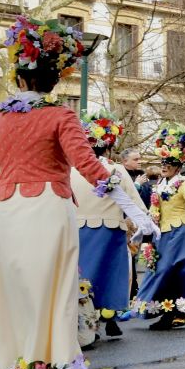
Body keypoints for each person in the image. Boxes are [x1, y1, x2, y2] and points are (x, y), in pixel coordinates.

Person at [0, 18, 156, 369]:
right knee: (50, 299)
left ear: (18, 75)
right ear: (55, 78)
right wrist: (135, 209)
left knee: (15, 299)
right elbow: (89, 166)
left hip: (11, 214)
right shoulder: (61, 116)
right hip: (49, 211)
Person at [71, 110, 148, 341]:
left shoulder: (72, 170)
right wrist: (136, 225)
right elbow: (136, 203)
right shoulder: (117, 170)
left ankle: (87, 326)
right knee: (112, 276)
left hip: (79, 230)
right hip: (112, 230)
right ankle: (111, 318)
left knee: (85, 276)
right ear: (109, 146)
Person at [134, 125, 185, 329]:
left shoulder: (184, 184)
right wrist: (141, 229)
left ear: (178, 166)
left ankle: (176, 312)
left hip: (180, 233)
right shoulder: (160, 184)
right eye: (163, 162)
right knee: (164, 271)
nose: (164, 165)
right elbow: (153, 210)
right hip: (163, 234)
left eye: (169, 162)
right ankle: (169, 312)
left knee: (169, 270)